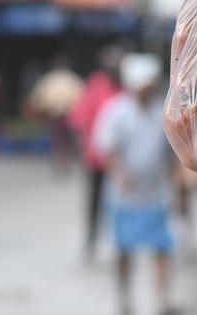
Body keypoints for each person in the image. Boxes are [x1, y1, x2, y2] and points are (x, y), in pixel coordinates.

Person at [93, 53, 178, 315]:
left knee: (162, 248)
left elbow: (171, 153)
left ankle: (163, 301)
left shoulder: (161, 113)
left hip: (155, 194)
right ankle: (124, 299)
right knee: (123, 251)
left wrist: (177, 183)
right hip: (124, 195)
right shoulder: (116, 112)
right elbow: (107, 149)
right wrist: (119, 173)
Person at [69, 47, 124, 259]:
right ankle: (91, 239)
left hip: (120, 159)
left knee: (119, 200)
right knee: (94, 199)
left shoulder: (127, 90)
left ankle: (118, 240)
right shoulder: (96, 85)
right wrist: (82, 145)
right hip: (96, 156)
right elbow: (81, 116)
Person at [26, 56, 85, 174]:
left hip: (58, 114)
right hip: (65, 114)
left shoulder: (50, 78)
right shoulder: (71, 78)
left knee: (59, 140)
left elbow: (38, 97)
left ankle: (62, 161)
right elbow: (82, 96)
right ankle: (64, 161)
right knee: (65, 140)